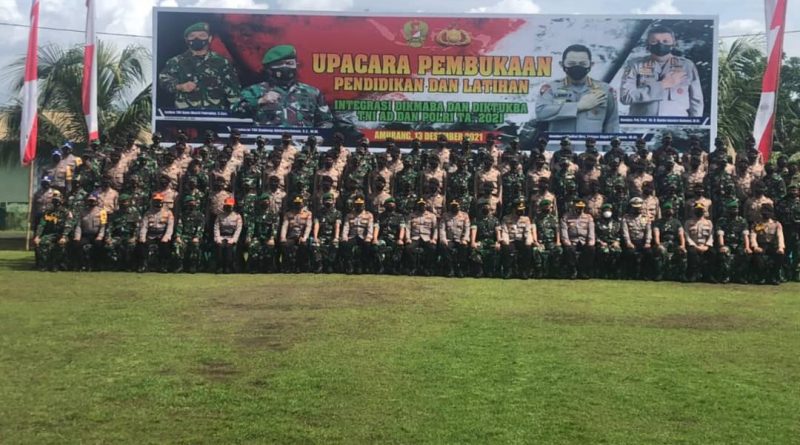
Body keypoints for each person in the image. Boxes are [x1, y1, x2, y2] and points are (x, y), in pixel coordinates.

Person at [232, 44, 333, 127]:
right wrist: (260, 101)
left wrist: (319, 139)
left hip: (302, 144)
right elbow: (235, 113)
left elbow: (326, 121)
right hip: (267, 144)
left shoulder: (312, 93)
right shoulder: (254, 91)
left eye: (290, 63)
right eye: (280, 64)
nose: (286, 67)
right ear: (270, 68)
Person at [620, 25, 704, 117]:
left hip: (676, 124)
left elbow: (696, 101)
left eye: (665, 41)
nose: (660, 45)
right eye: (654, 41)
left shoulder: (687, 66)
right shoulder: (634, 65)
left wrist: (695, 123)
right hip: (642, 123)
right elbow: (625, 97)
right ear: (648, 44)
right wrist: (662, 85)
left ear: (673, 43)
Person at [536, 44, 620, 133]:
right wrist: (578, 106)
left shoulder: (605, 90)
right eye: (571, 63)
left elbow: (612, 123)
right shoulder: (551, 89)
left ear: (591, 65)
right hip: (560, 142)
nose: (577, 67)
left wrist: (612, 142)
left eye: (583, 64)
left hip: (592, 142)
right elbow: (541, 113)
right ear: (562, 64)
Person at [158, 22, 241, 110]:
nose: (197, 38)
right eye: (192, 36)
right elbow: (163, 80)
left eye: (202, 35)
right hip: (186, 114)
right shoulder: (176, 62)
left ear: (209, 38)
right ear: (186, 40)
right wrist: (181, 87)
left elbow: (234, 90)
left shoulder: (221, 62)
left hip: (215, 113)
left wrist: (236, 110)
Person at [32, 190, 72, 272]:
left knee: (60, 244)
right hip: (51, 234)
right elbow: (42, 224)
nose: (56, 202)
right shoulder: (48, 212)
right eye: (54, 200)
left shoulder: (65, 212)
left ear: (61, 200)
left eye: (57, 200)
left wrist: (64, 236)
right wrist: (37, 236)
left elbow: (68, 226)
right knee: (42, 242)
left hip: (62, 234)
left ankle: (56, 265)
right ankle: (44, 265)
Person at [715, 199, 751, 284]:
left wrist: (747, 247)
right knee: (724, 253)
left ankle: (740, 276)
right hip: (727, 244)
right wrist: (722, 246)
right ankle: (726, 276)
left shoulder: (742, 221)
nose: (734, 211)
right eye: (732, 209)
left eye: (736, 209)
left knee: (745, 253)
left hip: (739, 244)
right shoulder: (722, 221)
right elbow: (720, 235)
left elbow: (745, 235)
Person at [137, 193, 174, 273]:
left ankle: (163, 265)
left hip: (162, 234)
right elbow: (144, 226)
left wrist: (166, 237)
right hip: (151, 235)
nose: (158, 203)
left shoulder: (168, 213)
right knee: (142, 244)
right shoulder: (148, 213)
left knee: (165, 246)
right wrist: (142, 237)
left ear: (162, 202)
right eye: (156, 201)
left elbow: (170, 227)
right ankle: (143, 265)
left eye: (159, 201)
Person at [104, 193, 141, 271]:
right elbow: (109, 227)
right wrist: (108, 238)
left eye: (125, 201)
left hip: (129, 236)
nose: (124, 203)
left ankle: (129, 265)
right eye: (122, 201)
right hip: (117, 236)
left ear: (129, 202)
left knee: (131, 245)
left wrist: (134, 237)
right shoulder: (114, 215)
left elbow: (138, 227)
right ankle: (115, 264)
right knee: (109, 245)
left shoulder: (134, 213)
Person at [560, 199, 595, 279]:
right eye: (578, 207)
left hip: (584, 241)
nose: (580, 209)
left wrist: (591, 241)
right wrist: (566, 241)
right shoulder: (566, 216)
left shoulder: (588, 217)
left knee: (591, 248)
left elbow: (591, 231)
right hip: (572, 241)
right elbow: (564, 231)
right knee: (569, 249)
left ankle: (583, 271)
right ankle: (573, 270)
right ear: (574, 207)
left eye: (581, 207)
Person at [750, 204, 785, 285]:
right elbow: (753, 236)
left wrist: (780, 247)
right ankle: (761, 277)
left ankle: (774, 277)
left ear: (771, 213)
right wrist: (755, 246)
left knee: (780, 255)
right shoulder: (757, 224)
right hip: (761, 245)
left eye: (767, 212)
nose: (765, 214)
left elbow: (780, 236)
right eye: (764, 212)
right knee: (757, 257)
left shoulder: (776, 224)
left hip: (772, 245)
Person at [651, 201, 686, 282]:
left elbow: (681, 235)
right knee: (660, 250)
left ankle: (681, 275)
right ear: (663, 211)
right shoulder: (658, 222)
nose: (668, 211)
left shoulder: (677, 222)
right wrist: (658, 244)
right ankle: (659, 273)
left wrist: (682, 245)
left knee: (682, 252)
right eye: (666, 209)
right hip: (663, 243)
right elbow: (656, 235)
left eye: (670, 209)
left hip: (674, 243)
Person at [500, 198, 536, 279]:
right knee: (506, 248)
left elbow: (528, 232)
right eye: (519, 209)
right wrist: (505, 240)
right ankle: (508, 270)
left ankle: (524, 271)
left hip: (521, 241)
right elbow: (505, 232)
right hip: (511, 240)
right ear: (513, 209)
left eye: (522, 209)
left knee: (528, 248)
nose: (521, 211)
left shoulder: (526, 219)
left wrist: (528, 240)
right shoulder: (506, 218)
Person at [72, 193, 107, 271]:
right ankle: (82, 265)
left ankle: (97, 265)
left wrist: (100, 236)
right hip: (86, 235)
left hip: (96, 235)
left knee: (98, 246)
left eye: (93, 201)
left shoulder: (102, 211)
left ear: (96, 201)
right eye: (90, 201)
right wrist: (77, 237)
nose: (91, 202)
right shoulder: (83, 211)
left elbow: (103, 226)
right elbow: (79, 225)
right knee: (77, 245)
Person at [340, 195, 375, 274]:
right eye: (357, 204)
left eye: (360, 204)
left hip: (363, 237)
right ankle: (349, 265)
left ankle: (362, 265)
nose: (359, 206)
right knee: (345, 244)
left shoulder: (369, 215)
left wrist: (368, 237)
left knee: (367, 245)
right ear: (354, 204)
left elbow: (370, 228)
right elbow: (346, 227)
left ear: (364, 204)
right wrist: (344, 237)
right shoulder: (349, 215)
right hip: (352, 236)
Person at [280, 195, 313, 273]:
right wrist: (283, 237)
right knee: (285, 245)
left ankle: (300, 266)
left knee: (304, 245)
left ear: (303, 203)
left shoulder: (307, 213)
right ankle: (288, 266)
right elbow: (284, 226)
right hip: (291, 237)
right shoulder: (288, 214)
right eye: (296, 203)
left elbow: (308, 227)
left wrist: (304, 237)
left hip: (302, 237)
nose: (298, 205)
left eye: (299, 203)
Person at [405, 197, 438, 276]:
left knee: (432, 249)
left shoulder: (432, 216)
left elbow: (435, 229)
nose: (422, 206)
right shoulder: (412, 215)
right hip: (415, 237)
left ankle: (427, 268)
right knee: (408, 248)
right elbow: (408, 228)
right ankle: (413, 268)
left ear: (426, 205)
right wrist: (408, 238)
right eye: (420, 205)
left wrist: (434, 239)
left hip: (427, 237)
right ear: (417, 205)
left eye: (423, 204)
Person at [470, 198, 503, 278]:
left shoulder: (495, 220)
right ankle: (479, 270)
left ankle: (491, 270)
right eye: (484, 207)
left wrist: (498, 242)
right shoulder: (476, 220)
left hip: (491, 241)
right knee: (475, 250)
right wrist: (473, 242)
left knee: (497, 249)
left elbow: (498, 234)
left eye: (488, 208)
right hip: (480, 241)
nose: (486, 209)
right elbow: (474, 232)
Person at [174, 195, 207, 274]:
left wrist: (197, 237)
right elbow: (179, 226)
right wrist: (178, 236)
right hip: (184, 236)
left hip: (195, 237)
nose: (191, 205)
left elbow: (200, 228)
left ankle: (193, 265)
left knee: (195, 244)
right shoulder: (183, 215)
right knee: (178, 244)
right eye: (189, 203)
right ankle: (180, 265)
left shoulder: (200, 215)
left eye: (192, 203)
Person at [438, 199, 471, 277]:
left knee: (464, 247)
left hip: (460, 240)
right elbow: (442, 228)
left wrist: (465, 239)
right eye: (453, 206)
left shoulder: (464, 215)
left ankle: (460, 269)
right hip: (449, 239)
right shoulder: (445, 215)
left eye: (456, 206)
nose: (454, 207)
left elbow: (467, 229)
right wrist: (443, 239)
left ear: (459, 206)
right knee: (444, 247)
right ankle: (450, 269)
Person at [621, 197, 652, 280]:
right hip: (631, 241)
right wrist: (628, 242)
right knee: (630, 253)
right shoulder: (626, 217)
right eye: (635, 207)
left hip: (642, 241)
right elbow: (625, 232)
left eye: (639, 207)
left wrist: (647, 242)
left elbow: (648, 231)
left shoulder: (645, 217)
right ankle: (630, 274)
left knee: (648, 253)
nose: (637, 209)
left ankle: (645, 274)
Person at [311, 192, 342, 274]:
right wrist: (315, 237)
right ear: (323, 201)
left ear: (333, 201)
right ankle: (319, 265)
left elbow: (337, 226)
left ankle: (329, 265)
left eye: (330, 200)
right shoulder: (319, 212)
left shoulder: (337, 213)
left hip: (332, 236)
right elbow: (316, 225)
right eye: (326, 200)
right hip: (322, 236)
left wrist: (336, 237)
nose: (328, 202)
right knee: (314, 244)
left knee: (335, 244)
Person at [684, 202, 714, 282]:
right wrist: (695, 246)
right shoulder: (688, 222)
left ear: (704, 211)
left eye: (700, 210)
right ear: (694, 211)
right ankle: (693, 275)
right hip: (693, 245)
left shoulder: (709, 222)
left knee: (712, 253)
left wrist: (707, 246)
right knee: (692, 253)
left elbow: (711, 236)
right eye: (697, 210)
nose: (699, 211)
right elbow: (687, 236)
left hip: (705, 245)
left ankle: (709, 275)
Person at [213, 197, 243, 274]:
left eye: (230, 206)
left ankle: (228, 267)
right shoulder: (220, 216)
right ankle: (219, 267)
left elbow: (238, 229)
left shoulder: (237, 216)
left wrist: (233, 239)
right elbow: (216, 228)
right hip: (221, 236)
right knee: (220, 246)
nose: (228, 207)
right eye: (227, 205)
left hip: (231, 237)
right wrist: (218, 238)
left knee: (229, 247)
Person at [595, 203, 622, 279]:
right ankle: (603, 272)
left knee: (617, 251)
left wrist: (617, 241)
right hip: (602, 243)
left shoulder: (616, 223)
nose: (607, 212)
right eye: (605, 210)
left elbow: (620, 234)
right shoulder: (597, 223)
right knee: (605, 251)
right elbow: (595, 234)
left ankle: (614, 272)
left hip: (614, 242)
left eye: (609, 210)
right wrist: (600, 242)